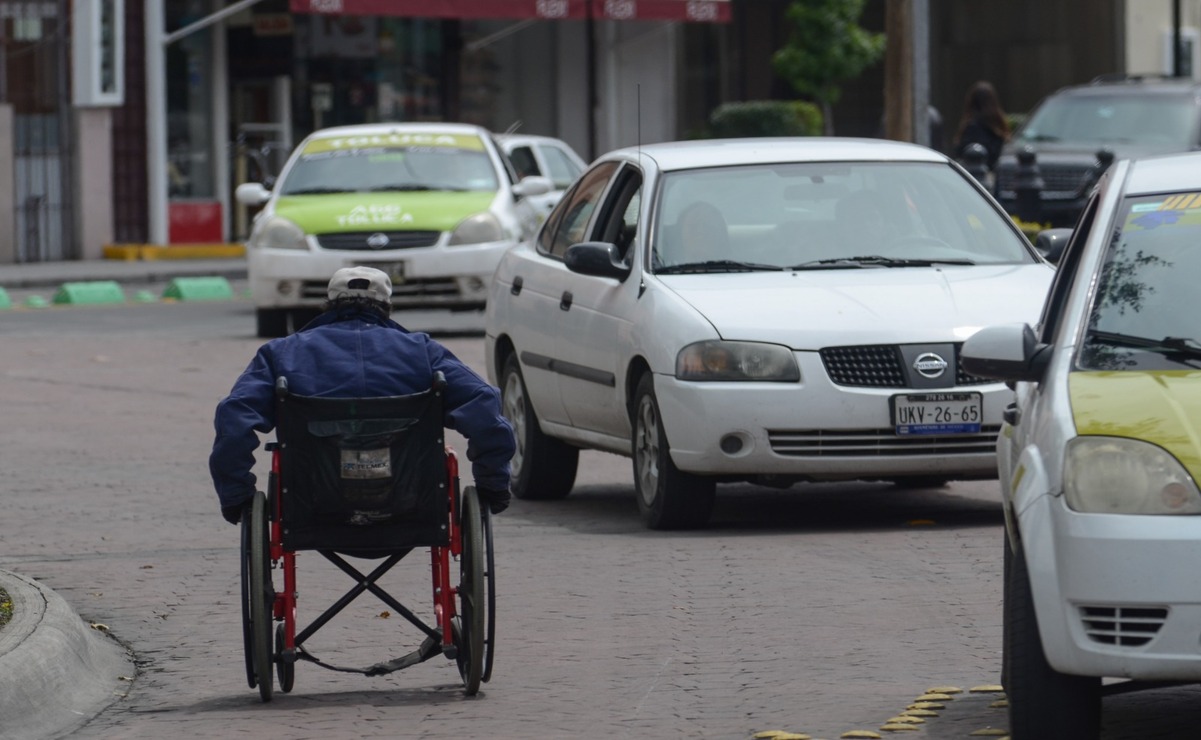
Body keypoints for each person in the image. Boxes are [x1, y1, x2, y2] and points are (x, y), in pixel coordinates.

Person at [209, 266, 515, 525]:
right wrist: (492, 484)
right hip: (410, 502)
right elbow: (482, 403)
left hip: (312, 504)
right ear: (387, 306)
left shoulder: (282, 353)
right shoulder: (422, 351)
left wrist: (237, 496)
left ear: (329, 304)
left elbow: (235, 416)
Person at [952, 81, 1010, 172]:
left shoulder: (971, 128)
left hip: (974, 174)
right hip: (995, 174)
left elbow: (960, 152)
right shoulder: (998, 127)